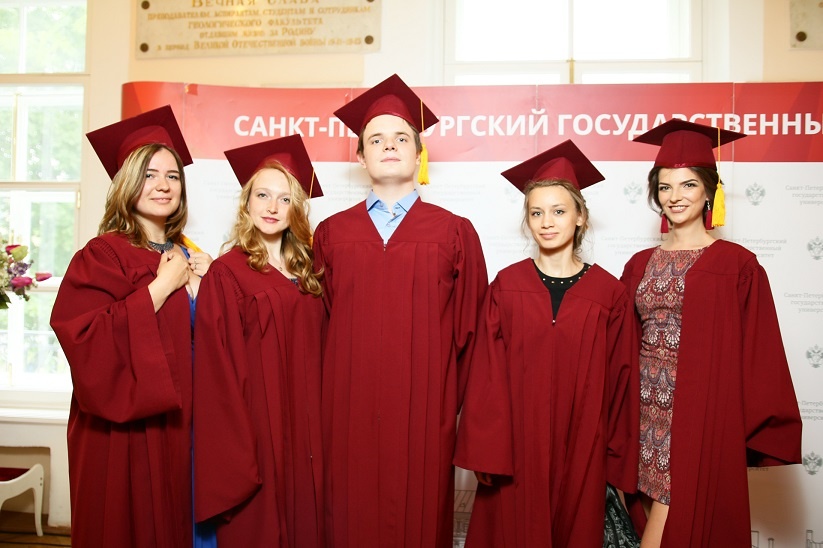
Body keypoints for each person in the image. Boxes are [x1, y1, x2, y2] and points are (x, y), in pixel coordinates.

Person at [312, 74, 488, 547]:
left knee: (418, 519)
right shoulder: (330, 234)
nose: (388, 146)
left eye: (401, 138)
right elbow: (318, 328)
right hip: (345, 414)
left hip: (425, 415)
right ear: (360, 156)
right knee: (347, 518)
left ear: (418, 152)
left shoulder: (454, 233)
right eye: (375, 139)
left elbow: (472, 334)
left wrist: (443, 404)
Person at [621, 119, 803, 547]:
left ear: (709, 191)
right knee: (655, 522)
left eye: (688, 185)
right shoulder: (638, 263)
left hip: (697, 414)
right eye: (665, 187)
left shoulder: (736, 264)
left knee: (674, 524)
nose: (675, 196)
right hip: (644, 412)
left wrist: (748, 426)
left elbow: (759, 350)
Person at [454, 140, 639, 547]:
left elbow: (622, 381)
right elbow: (486, 376)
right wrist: (487, 450)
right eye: (536, 213)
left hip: (584, 448)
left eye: (558, 211)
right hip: (515, 450)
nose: (546, 222)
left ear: (580, 217)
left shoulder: (608, 293)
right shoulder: (507, 285)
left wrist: (616, 460)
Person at [50, 105, 213, 547]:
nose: (163, 185)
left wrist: (207, 290)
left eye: (173, 176)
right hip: (122, 432)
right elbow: (85, 339)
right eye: (149, 174)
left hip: (180, 426)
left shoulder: (190, 256)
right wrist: (161, 287)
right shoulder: (102, 254)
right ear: (126, 183)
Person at [192, 134, 325, 547]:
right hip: (258, 426)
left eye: (284, 199)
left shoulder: (312, 270)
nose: (272, 207)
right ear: (246, 203)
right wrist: (239, 441)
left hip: (311, 424)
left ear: (296, 208)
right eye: (263, 195)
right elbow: (216, 367)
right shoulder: (227, 272)